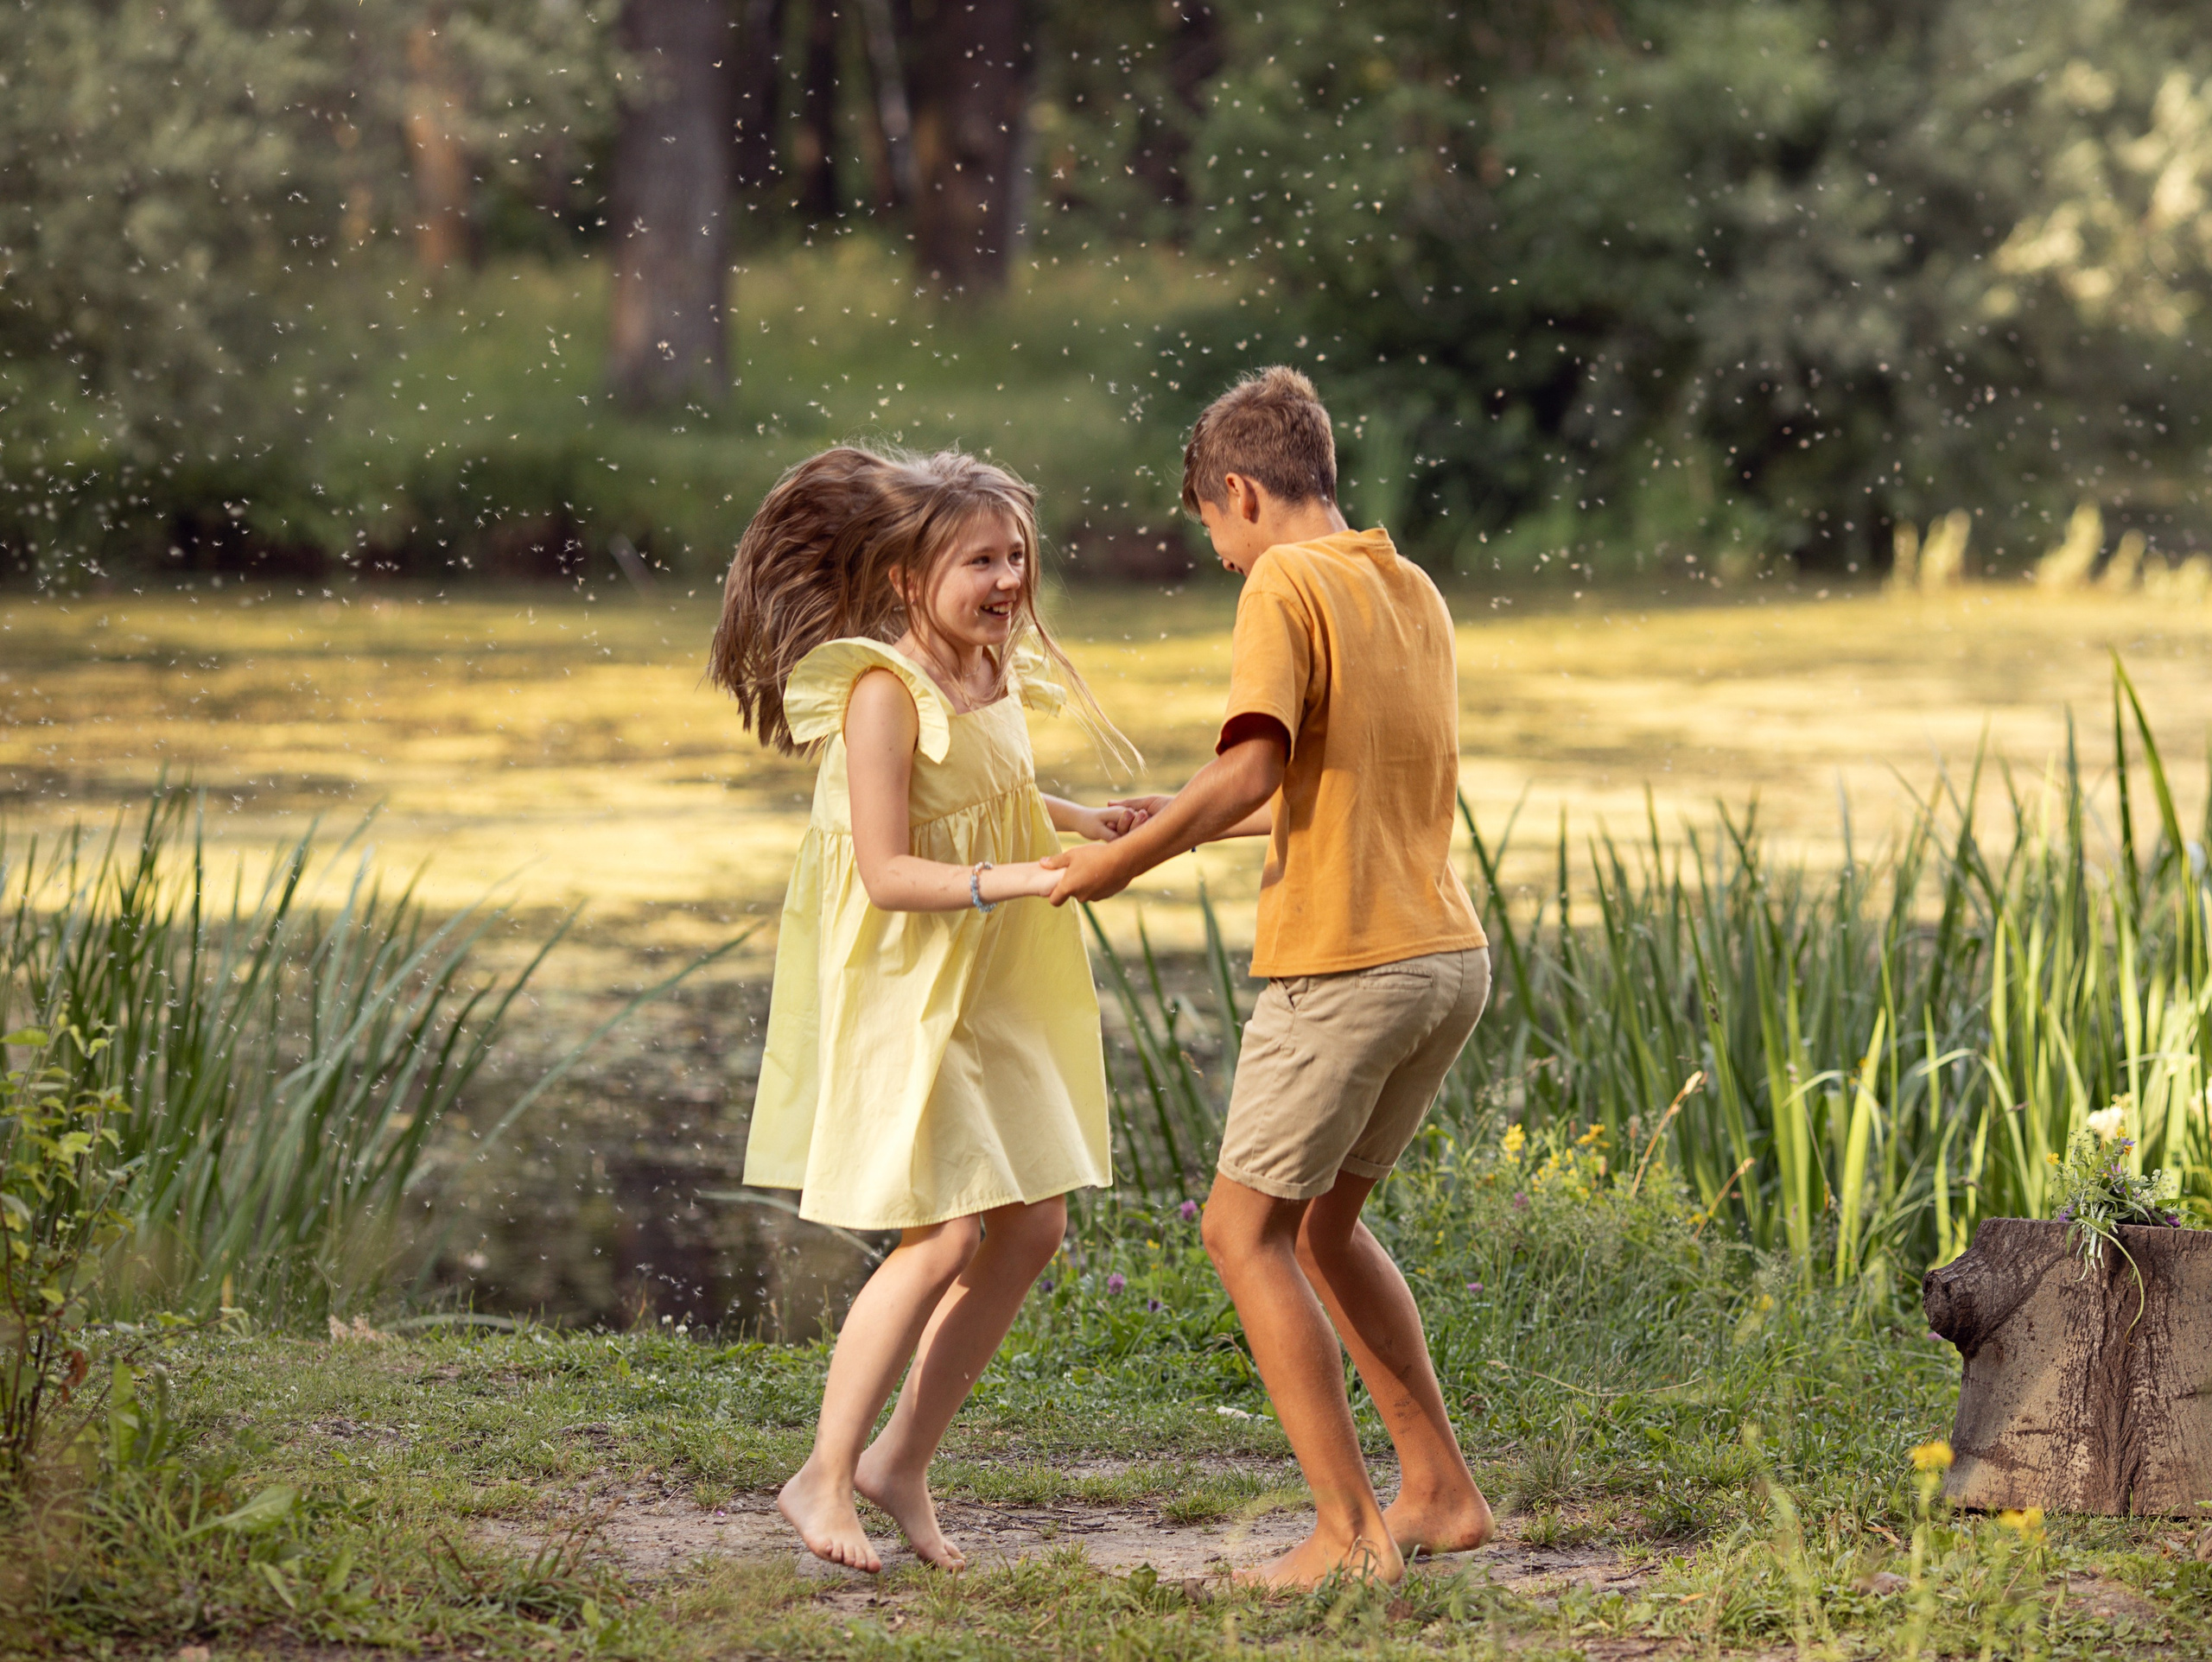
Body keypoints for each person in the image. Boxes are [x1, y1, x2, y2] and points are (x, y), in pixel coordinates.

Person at [1045, 367, 1494, 1589]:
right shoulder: (1407, 584)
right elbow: (1330, 784)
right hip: (1444, 957)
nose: (1225, 559)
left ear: (1240, 493)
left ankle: (1347, 1539)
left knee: (1242, 1233)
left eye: (1216, 533)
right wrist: (1170, 814)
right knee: (1326, 1230)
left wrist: (1115, 863)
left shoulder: (1284, 585)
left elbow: (1249, 773)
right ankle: (1439, 1492)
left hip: (1347, 960)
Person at [709, 445, 1142, 1574]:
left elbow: (990, 790)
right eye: (979, 562)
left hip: (991, 974)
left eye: (1016, 555)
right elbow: (890, 869)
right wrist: (1024, 877)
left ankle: (898, 1462)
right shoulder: (881, 694)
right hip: (906, 980)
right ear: (908, 578)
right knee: (942, 1230)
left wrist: (1086, 822)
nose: (1007, 580)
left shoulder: (991, 668)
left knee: (1034, 1225)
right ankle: (821, 1474)